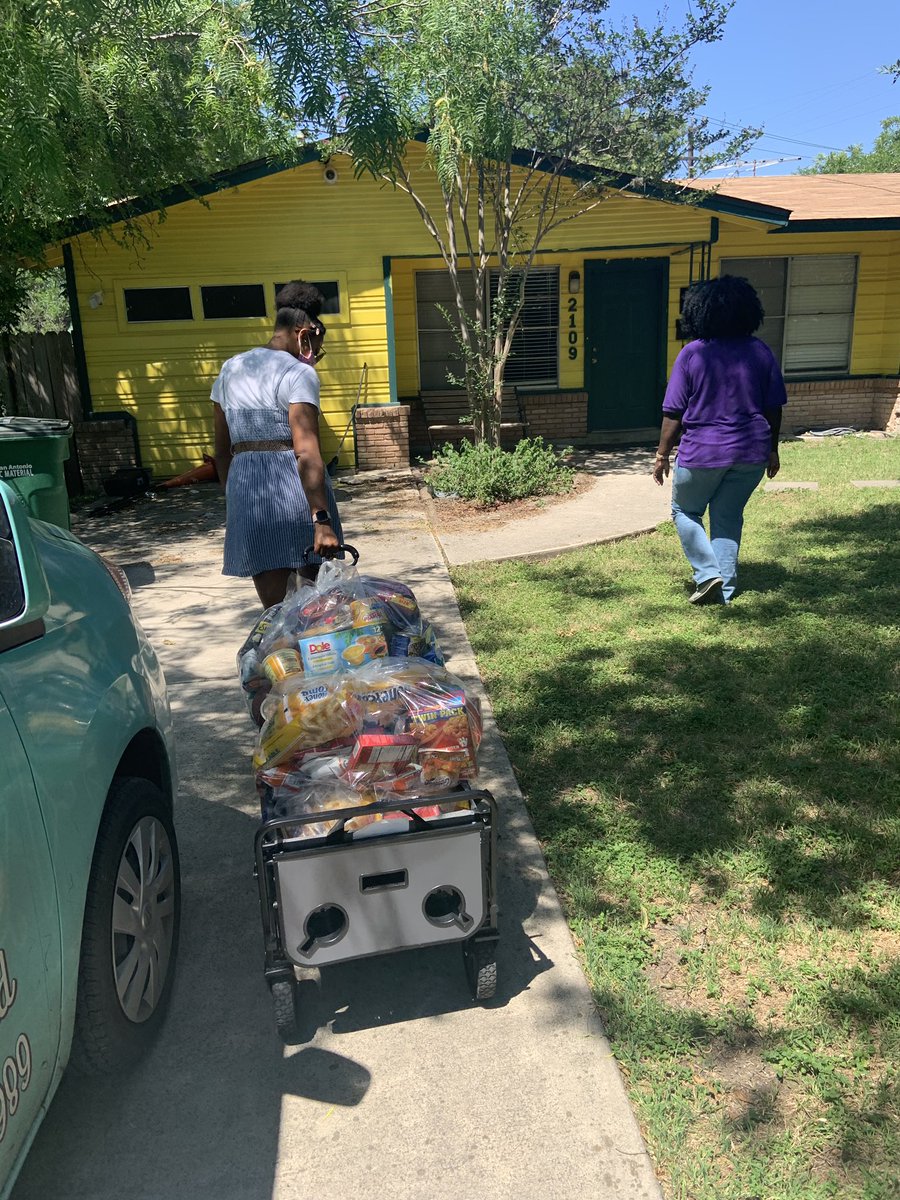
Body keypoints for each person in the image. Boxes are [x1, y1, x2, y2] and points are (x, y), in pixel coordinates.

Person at [652, 275, 786, 605]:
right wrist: (772, 450)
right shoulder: (760, 352)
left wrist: (661, 455)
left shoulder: (693, 354)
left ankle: (708, 574)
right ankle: (724, 589)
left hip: (703, 453)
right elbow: (774, 407)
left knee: (684, 510)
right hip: (751, 452)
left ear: (699, 312)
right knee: (727, 517)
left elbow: (673, 411)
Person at [212, 280, 343, 608]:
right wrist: (321, 519)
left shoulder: (231, 369)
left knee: (275, 613)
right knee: (313, 609)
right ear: (305, 332)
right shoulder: (298, 373)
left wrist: (236, 496)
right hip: (293, 494)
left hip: (249, 494)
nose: (314, 354)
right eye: (316, 342)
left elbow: (221, 447)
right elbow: (306, 449)